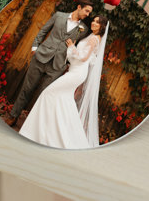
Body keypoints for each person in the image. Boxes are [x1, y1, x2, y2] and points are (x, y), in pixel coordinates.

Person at [18, 16, 109, 149]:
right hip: (76, 71)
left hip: (77, 72)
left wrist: (71, 46)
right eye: (94, 21)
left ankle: (37, 132)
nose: (94, 23)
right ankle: (55, 132)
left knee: (48, 93)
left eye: (98, 22)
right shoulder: (93, 36)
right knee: (63, 100)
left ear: (102, 27)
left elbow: (83, 58)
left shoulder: (94, 39)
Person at [5, 0, 94, 126]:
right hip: (41, 57)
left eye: (89, 13)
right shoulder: (59, 16)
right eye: (86, 11)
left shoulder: (83, 29)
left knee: (44, 94)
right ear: (79, 7)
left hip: (57, 66)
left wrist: (67, 63)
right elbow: (43, 31)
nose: (88, 14)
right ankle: (13, 116)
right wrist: (35, 47)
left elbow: (78, 48)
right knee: (27, 88)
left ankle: (30, 124)